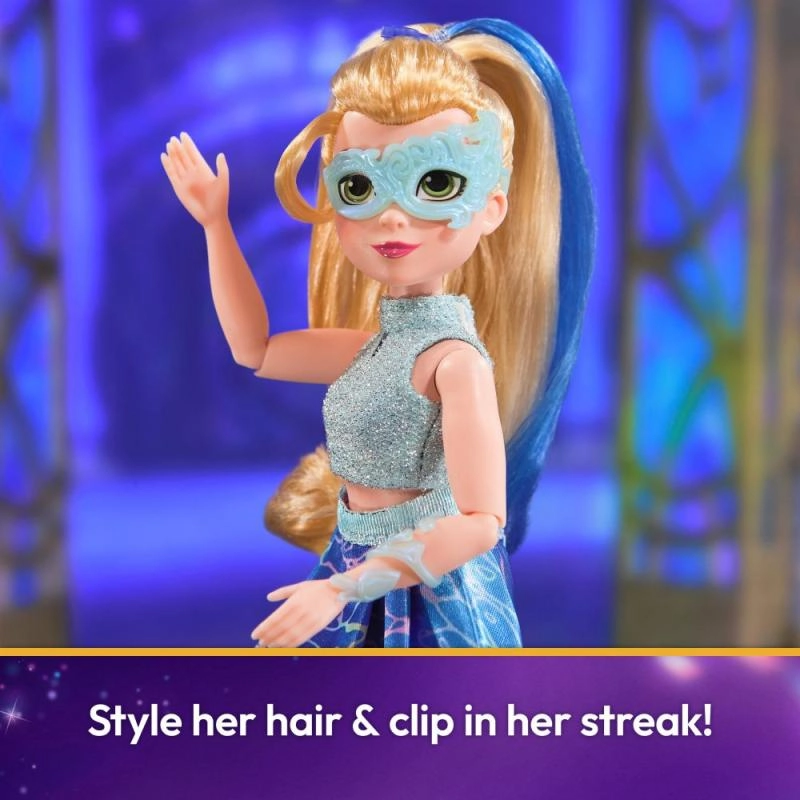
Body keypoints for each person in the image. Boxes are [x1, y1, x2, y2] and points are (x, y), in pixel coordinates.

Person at [161, 19, 594, 647]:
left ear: (492, 207)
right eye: (360, 186)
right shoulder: (373, 350)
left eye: (435, 183)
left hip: (432, 593)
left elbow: (480, 522)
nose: (392, 216)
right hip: (351, 565)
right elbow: (255, 349)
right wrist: (215, 224)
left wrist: (345, 588)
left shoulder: (455, 363)